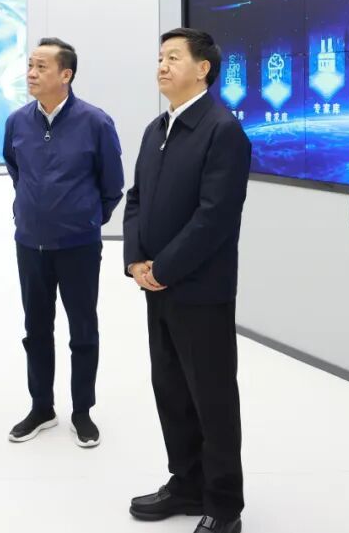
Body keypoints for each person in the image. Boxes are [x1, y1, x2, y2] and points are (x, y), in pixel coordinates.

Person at [124, 28, 251, 533]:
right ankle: (186, 482)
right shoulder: (156, 128)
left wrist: (163, 268)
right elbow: (136, 198)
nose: (162, 66)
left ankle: (223, 505)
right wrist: (136, 260)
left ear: (203, 69)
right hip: (156, 287)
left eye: (173, 57)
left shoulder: (222, 130)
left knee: (211, 397)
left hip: (200, 290)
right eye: (160, 57)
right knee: (171, 389)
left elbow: (214, 217)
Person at [2, 37, 124, 448]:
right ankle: (41, 407)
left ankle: (82, 411)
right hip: (30, 243)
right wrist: (32, 211)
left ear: (65, 74)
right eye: (30, 66)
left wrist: (85, 218)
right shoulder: (17, 122)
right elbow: (15, 168)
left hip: (79, 246)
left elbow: (112, 185)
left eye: (41, 67)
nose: (31, 74)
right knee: (35, 329)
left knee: (83, 330)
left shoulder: (96, 122)